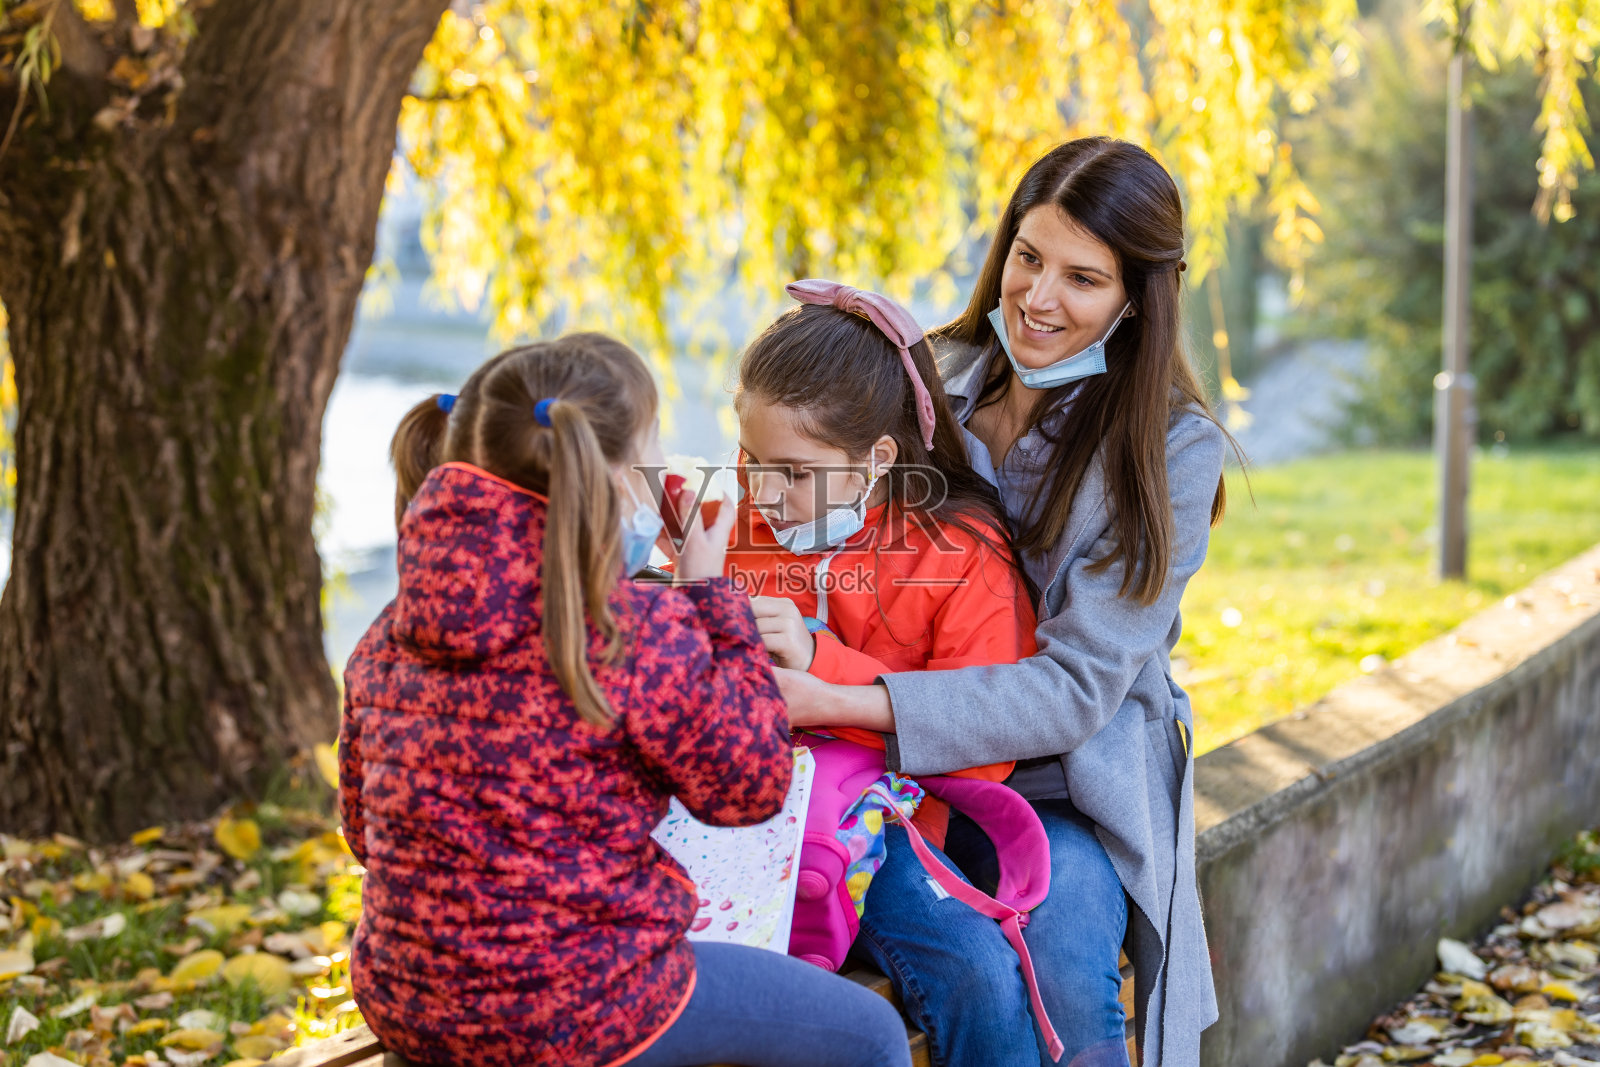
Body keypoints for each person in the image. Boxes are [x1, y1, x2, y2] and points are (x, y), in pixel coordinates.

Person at [772, 138, 1232, 1067]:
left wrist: (841, 697)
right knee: (968, 977)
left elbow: (1075, 688)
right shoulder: (928, 380)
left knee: (1065, 964)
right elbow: (794, 494)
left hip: (1066, 783)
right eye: (1028, 257)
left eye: (1083, 279)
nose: (1039, 298)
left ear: (1137, 298)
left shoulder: (1172, 449)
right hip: (885, 775)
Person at [339, 334, 912, 1067]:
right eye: (651, 451)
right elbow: (752, 786)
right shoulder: (631, 629)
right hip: (582, 1007)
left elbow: (363, 831)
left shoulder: (388, 632)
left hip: (408, 999)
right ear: (614, 477)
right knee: (870, 1035)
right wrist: (710, 598)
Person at [729, 279, 1037, 853]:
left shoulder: (960, 554)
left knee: (941, 926)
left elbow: (983, 751)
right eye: (752, 460)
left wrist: (818, 662)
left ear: (877, 459)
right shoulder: (740, 530)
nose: (763, 494)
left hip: (885, 837)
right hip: (736, 820)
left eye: (794, 472)